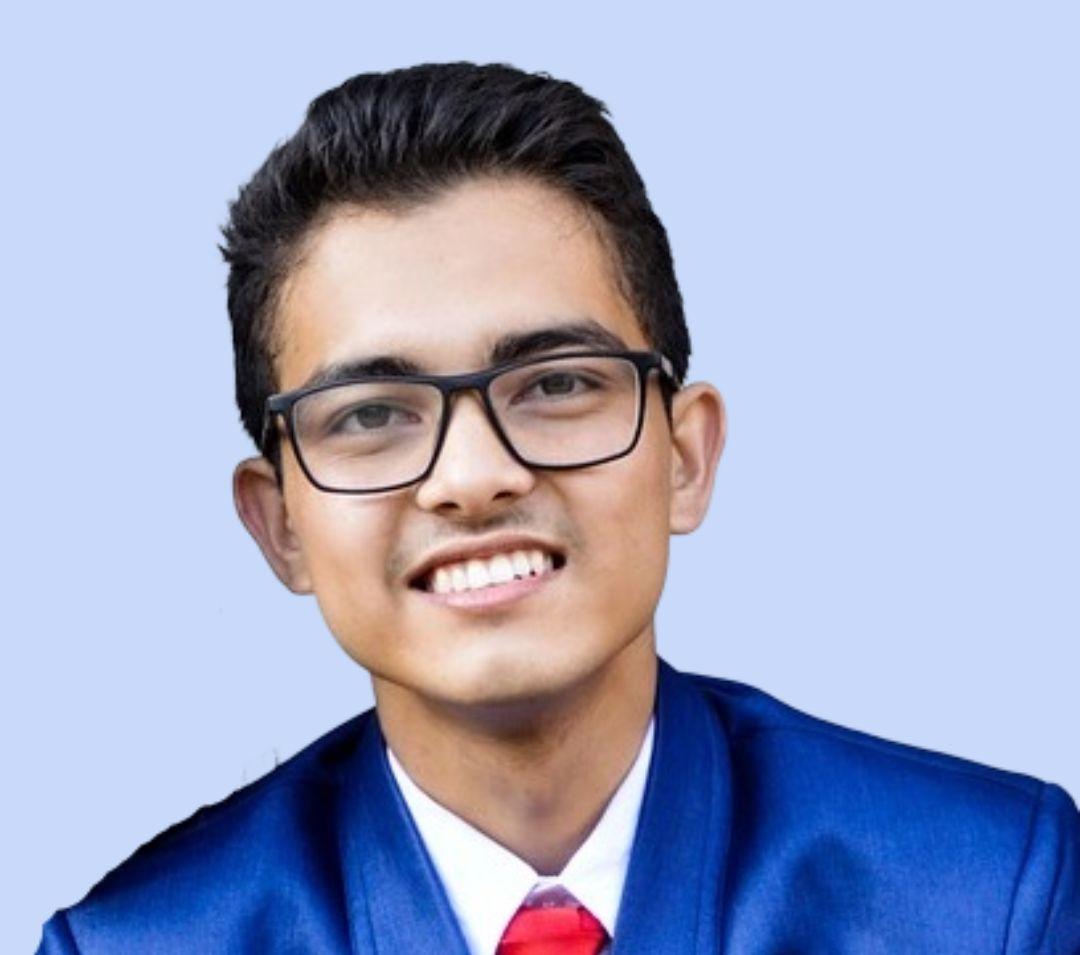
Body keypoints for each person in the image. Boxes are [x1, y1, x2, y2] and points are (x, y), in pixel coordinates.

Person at [38, 62, 1079, 954]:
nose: (472, 475)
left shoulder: (989, 897)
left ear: (684, 456)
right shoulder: (141, 944)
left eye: (557, 383)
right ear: (280, 525)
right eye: (372, 413)